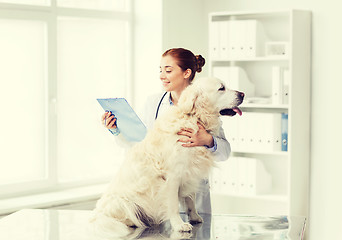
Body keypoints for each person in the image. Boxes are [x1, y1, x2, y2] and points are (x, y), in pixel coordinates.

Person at [101, 48, 231, 214]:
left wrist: (207, 140)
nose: (162, 75)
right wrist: (116, 130)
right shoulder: (154, 103)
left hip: (194, 197)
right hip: (159, 198)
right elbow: (140, 145)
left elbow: (225, 153)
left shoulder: (206, 103)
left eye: (168, 70)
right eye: (160, 70)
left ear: (186, 73)